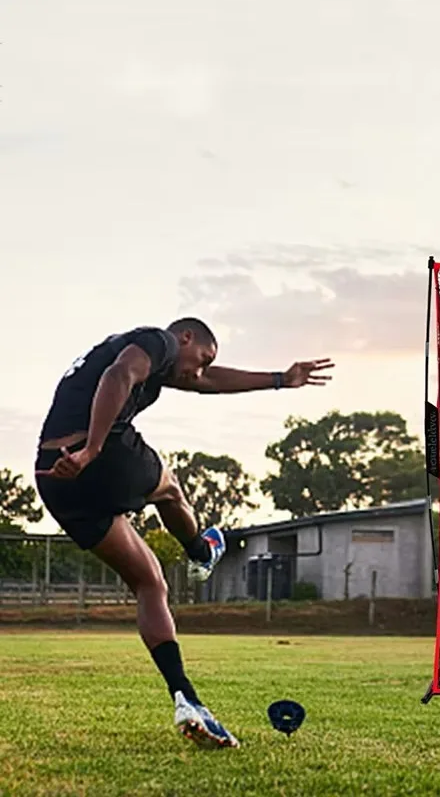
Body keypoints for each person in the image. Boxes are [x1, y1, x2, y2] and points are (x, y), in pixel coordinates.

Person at [34, 318, 334, 749]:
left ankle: (187, 700)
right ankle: (201, 549)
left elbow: (207, 382)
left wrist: (279, 380)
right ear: (186, 339)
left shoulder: (154, 358)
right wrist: (93, 449)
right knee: (171, 488)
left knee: (150, 581)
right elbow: (119, 374)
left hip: (55, 479)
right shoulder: (157, 341)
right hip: (95, 455)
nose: (199, 370)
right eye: (202, 358)